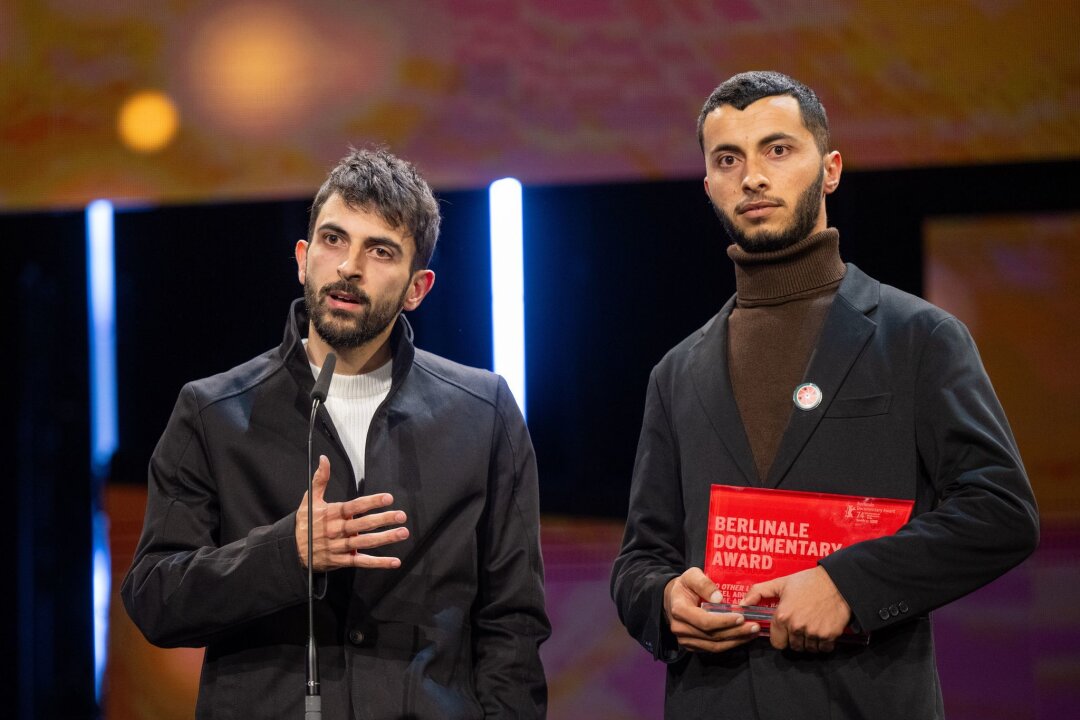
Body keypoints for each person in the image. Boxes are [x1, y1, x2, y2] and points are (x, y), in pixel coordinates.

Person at [610, 71, 1038, 719]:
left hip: (865, 700)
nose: (752, 176)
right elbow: (642, 556)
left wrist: (848, 584)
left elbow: (1000, 512)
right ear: (709, 185)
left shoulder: (919, 337)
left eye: (777, 149)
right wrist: (665, 601)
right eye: (729, 159)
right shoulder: (678, 372)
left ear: (830, 169)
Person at [122, 148, 550, 719]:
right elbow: (154, 598)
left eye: (379, 251)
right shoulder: (212, 412)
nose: (349, 266)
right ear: (303, 258)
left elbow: (512, 623)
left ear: (418, 288)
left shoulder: (483, 412)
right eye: (333, 239)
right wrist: (287, 552)